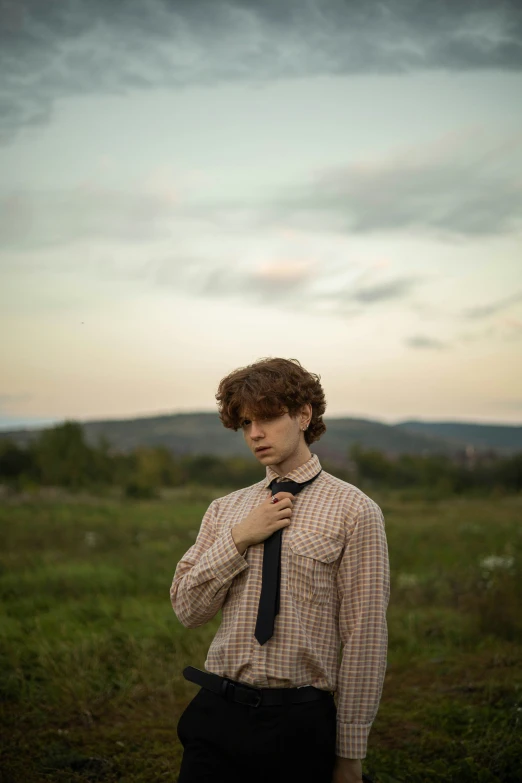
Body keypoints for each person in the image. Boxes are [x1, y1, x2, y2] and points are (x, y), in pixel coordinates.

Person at [170, 357, 390, 783]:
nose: (254, 433)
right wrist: (239, 538)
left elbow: (365, 637)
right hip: (216, 715)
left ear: (303, 415)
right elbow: (187, 609)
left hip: (299, 723)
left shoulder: (355, 511)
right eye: (245, 423)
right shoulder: (226, 509)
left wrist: (349, 754)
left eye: (267, 417)